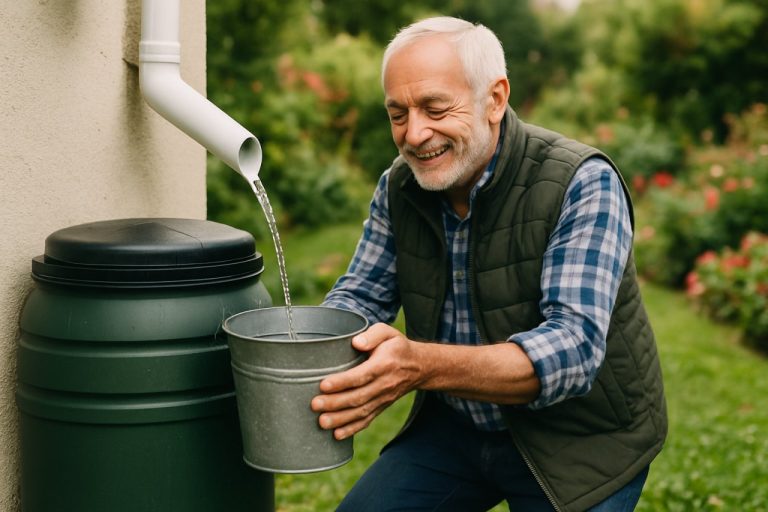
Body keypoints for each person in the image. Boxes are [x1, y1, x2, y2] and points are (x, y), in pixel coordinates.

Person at [312, 16, 667, 512]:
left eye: (436, 108)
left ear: (495, 99)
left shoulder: (581, 181)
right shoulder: (400, 186)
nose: (414, 134)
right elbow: (360, 297)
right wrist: (304, 349)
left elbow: (572, 350)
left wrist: (420, 365)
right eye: (397, 114)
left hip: (580, 437)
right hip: (456, 428)